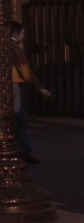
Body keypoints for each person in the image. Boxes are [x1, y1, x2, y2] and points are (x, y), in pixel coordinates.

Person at [8, 22, 50, 165]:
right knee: (18, 118)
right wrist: (39, 88)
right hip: (13, 84)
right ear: (15, 34)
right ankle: (22, 151)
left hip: (10, 85)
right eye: (22, 33)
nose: (24, 37)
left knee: (20, 118)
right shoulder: (14, 48)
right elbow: (25, 70)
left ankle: (23, 150)